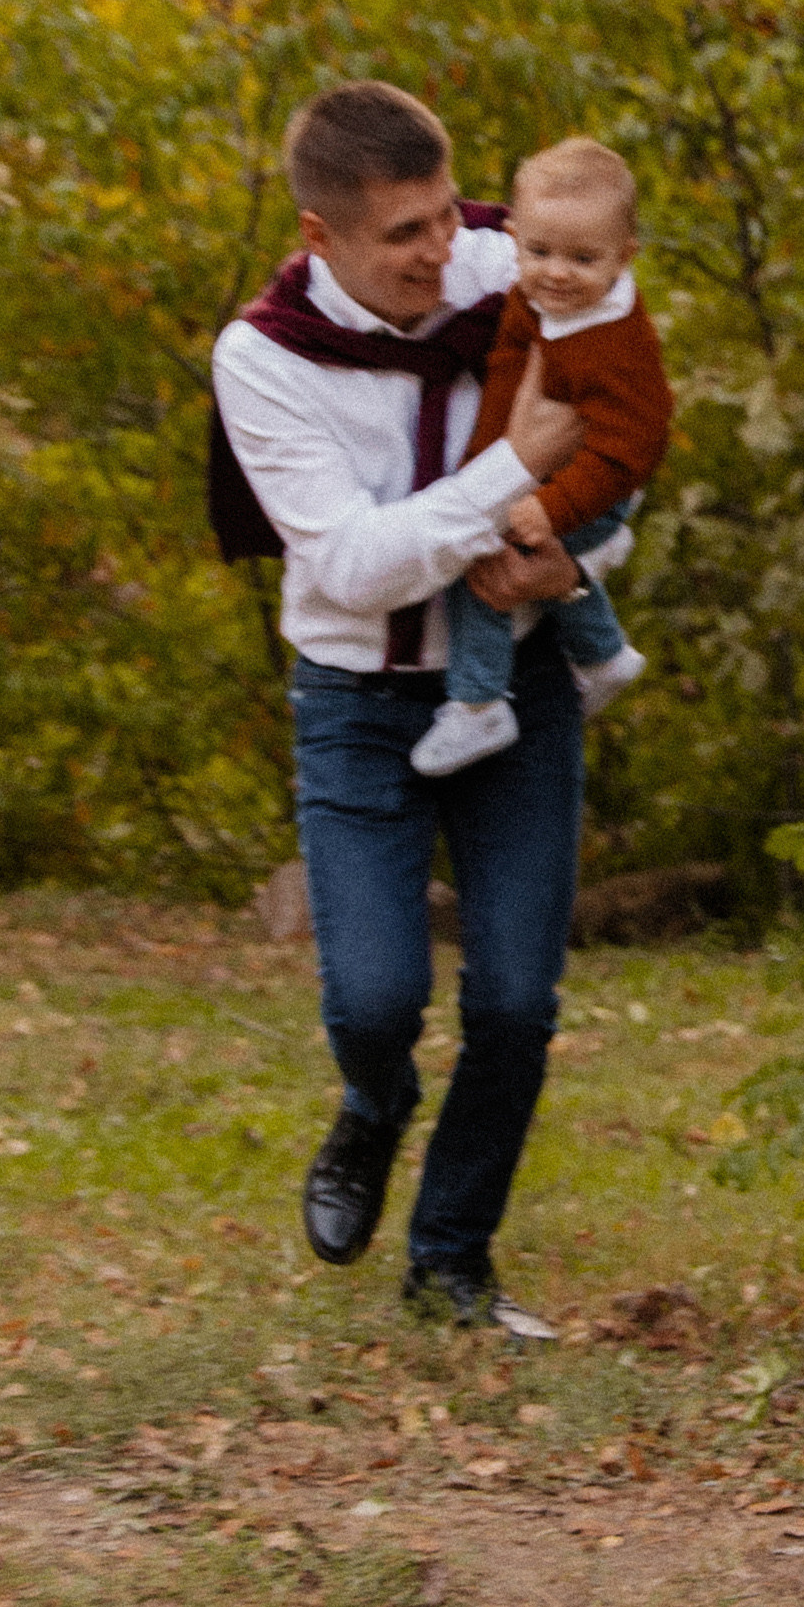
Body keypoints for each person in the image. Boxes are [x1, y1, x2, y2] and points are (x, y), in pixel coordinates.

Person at [209, 79, 610, 1343]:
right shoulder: (263, 356)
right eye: (403, 234)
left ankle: (449, 1262)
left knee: (515, 1001)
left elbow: (618, 441)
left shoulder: (511, 263)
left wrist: (578, 559)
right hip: (356, 704)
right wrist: (514, 466)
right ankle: (374, 1105)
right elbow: (351, 565)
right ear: (319, 236)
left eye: (444, 214)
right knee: (375, 1000)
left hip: (520, 687)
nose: (444, 249)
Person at [409, 135, 670, 778]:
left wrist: (552, 508)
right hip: (556, 474)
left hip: (601, 486)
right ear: (514, 238)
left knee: (481, 549)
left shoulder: (613, 345)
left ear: (624, 256)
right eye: (539, 251)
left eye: (583, 258)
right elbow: (506, 369)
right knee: (492, 529)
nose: (557, 272)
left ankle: (479, 702)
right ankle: (605, 656)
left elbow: (632, 448)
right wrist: (485, 465)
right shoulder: (534, 300)